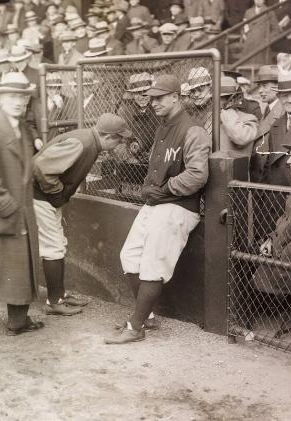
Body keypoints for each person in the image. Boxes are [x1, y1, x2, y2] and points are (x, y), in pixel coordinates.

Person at [105, 74, 211, 344]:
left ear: (176, 96)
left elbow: (198, 175)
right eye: (151, 98)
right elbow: (153, 168)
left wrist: (165, 188)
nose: (153, 102)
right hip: (157, 204)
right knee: (129, 255)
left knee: (153, 265)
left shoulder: (193, 130)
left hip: (180, 207)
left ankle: (135, 327)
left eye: (159, 97)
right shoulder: (161, 127)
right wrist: (146, 188)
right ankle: (147, 316)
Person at [33, 113, 132, 316]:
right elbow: (41, 168)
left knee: (58, 244)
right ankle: (53, 302)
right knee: (53, 247)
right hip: (39, 197)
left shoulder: (89, 140)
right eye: (119, 139)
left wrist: (57, 195)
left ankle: (59, 295)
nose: (119, 143)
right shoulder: (82, 143)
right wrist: (58, 193)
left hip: (45, 197)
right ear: (108, 136)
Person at [0, 72, 43, 336]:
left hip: (22, 210)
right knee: (7, 266)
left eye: (23, 97)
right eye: (12, 96)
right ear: (1, 98)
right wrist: (9, 208)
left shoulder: (21, 129)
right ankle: (17, 321)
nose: (19, 101)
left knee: (21, 265)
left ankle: (18, 321)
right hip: (5, 211)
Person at [250, 130, 291, 310]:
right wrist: (270, 239)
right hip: (281, 254)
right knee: (242, 259)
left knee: (246, 286)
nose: (289, 161)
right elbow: (285, 222)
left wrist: (279, 259)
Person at [250, 64, 284, 183]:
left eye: (264, 86)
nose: (260, 90)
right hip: (260, 177)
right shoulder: (268, 109)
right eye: (259, 86)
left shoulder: (283, 111)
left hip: (269, 178)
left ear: (278, 87)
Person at [219, 76, 258, 158]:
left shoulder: (249, 119)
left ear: (234, 99)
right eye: (213, 99)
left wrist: (227, 111)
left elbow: (240, 138)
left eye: (223, 98)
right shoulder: (210, 118)